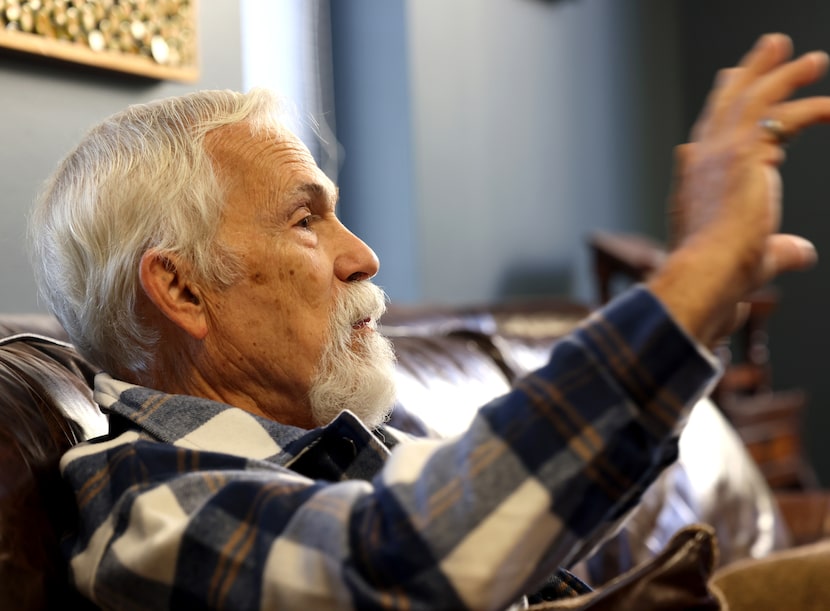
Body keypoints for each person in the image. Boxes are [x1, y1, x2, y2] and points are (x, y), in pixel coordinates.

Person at [27, 33, 830, 610]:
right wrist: (687, 291)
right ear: (183, 290)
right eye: (307, 221)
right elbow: (412, 560)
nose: (365, 255)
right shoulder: (147, 504)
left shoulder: (353, 453)